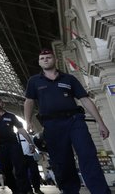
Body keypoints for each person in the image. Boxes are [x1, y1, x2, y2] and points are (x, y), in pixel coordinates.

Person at [24, 48, 110, 194]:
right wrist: (28, 121)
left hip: (75, 121)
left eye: (48, 57)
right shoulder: (34, 81)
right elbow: (29, 101)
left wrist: (100, 123)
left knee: (88, 155)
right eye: (42, 58)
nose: (45, 60)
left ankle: (101, 191)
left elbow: (85, 100)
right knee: (63, 162)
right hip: (52, 126)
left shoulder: (69, 79)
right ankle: (70, 191)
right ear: (39, 62)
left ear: (54, 60)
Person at [0, 97, 31, 194]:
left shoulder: (11, 116)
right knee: (6, 170)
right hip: (1, 147)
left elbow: (21, 129)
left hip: (13, 145)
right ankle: (14, 189)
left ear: (2, 103)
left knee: (20, 167)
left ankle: (23, 190)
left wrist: (30, 142)